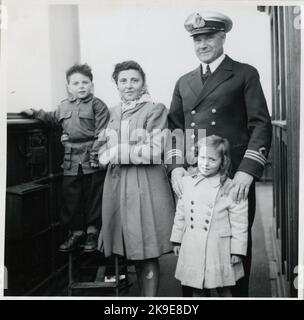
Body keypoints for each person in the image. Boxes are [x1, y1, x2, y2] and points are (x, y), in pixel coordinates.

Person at [167, 11, 272, 296]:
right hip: (194, 176)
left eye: (208, 37)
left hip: (232, 177)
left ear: (223, 36)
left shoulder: (244, 73)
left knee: (233, 246)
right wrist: (176, 167)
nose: (202, 44)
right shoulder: (183, 81)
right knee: (193, 243)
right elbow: (174, 128)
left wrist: (246, 172)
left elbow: (260, 124)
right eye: (197, 39)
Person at [98, 60, 175, 297]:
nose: (128, 85)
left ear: (143, 82)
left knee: (147, 250)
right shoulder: (111, 112)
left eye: (134, 80)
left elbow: (154, 150)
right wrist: (107, 152)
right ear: (116, 84)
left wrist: (116, 152)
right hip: (117, 185)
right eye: (123, 80)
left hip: (145, 185)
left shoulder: (155, 109)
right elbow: (100, 151)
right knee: (128, 247)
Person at [21, 63, 110, 252]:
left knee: (93, 196)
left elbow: (102, 132)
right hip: (70, 160)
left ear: (92, 85)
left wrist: (95, 154)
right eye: (76, 83)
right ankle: (76, 232)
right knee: (71, 198)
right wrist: (35, 113)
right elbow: (52, 118)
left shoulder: (98, 105)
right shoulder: (63, 106)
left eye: (85, 82)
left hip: (91, 158)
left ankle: (92, 233)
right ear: (69, 87)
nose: (81, 86)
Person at [170, 135, 248, 297]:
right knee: (196, 287)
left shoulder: (230, 187)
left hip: (219, 248)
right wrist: (177, 239)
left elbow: (239, 223)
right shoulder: (188, 182)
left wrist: (237, 251)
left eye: (212, 160)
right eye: (203, 158)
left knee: (224, 288)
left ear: (223, 162)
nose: (205, 163)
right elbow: (181, 214)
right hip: (193, 245)